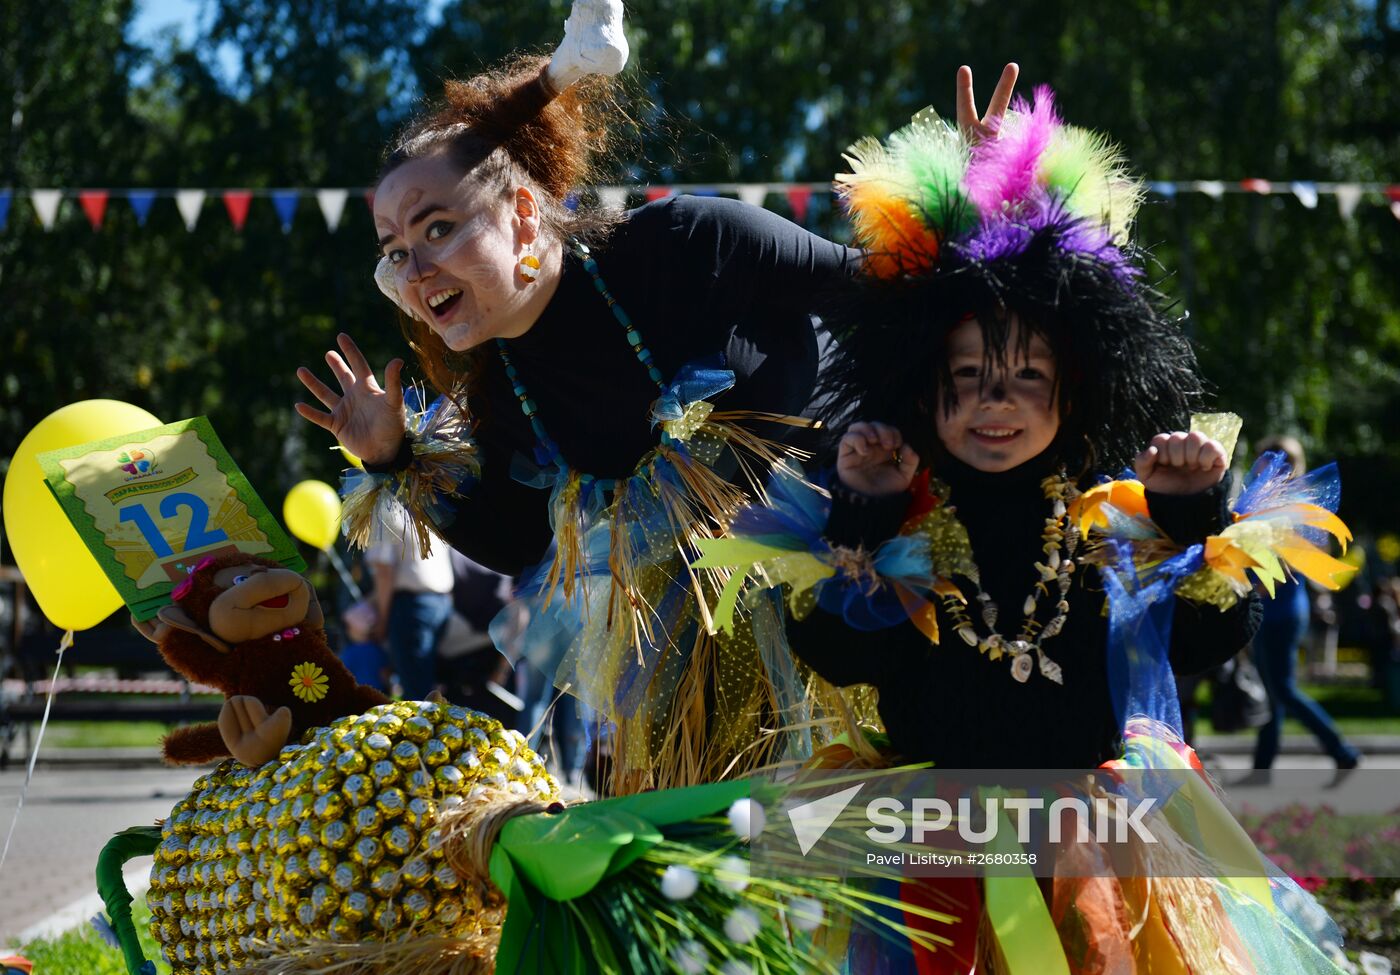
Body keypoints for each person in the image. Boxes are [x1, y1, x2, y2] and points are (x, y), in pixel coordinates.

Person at [292, 0, 1024, 791]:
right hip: (704, 676)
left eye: (437, 228)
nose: (416, 270)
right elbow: (526, 546)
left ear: (524, 213)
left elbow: (884, 293)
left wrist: (976, 199)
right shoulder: (500, 388)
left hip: (873, 584)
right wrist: (394, 457)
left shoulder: (690, 244)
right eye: (395, 251)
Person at [704, 89, 1357, 972]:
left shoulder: (1107, 519)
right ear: (921, 385)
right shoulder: (904, 520)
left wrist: (1191, 516)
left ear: (1075, 388)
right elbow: (837, 652)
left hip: (1090, 861)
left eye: (1027, 377)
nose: (994, 402)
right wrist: (864, 513)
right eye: (967, 374)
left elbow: (1206, 641)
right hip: (933, 859)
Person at [1251, 435, 1361, 769]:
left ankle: (1341, 751)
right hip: (1279, 608)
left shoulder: (1287, 506)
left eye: (1264, 458)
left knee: (1282, 689)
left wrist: (1254, 584)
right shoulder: (1291, 504)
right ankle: (1262, 763)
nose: (1258, 466)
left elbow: (1299, 560)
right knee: (1273, 688)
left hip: (1278, 610)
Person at [365, 501, 456, 700]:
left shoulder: (385, 506)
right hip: (441, 603)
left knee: (417, 694)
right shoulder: (425, 502)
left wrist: (382, 620)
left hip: (413, 608)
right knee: (430, 688)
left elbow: (384, 571)